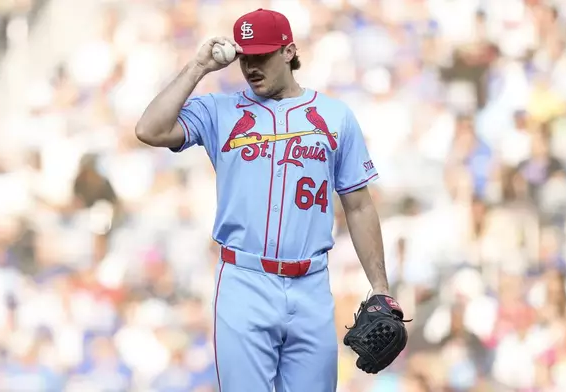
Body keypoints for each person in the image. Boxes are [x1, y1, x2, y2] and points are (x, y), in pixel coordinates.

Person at [135, 8, 400, 392]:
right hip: (244, 281)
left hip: (311, 284)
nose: (251, 67)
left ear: (288, 51)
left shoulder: (334, 115)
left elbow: (358, 205)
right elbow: (149, 129)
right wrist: (197, 67)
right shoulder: (219, 110)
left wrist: (380, 286)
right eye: (246, 57)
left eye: (262, 56)